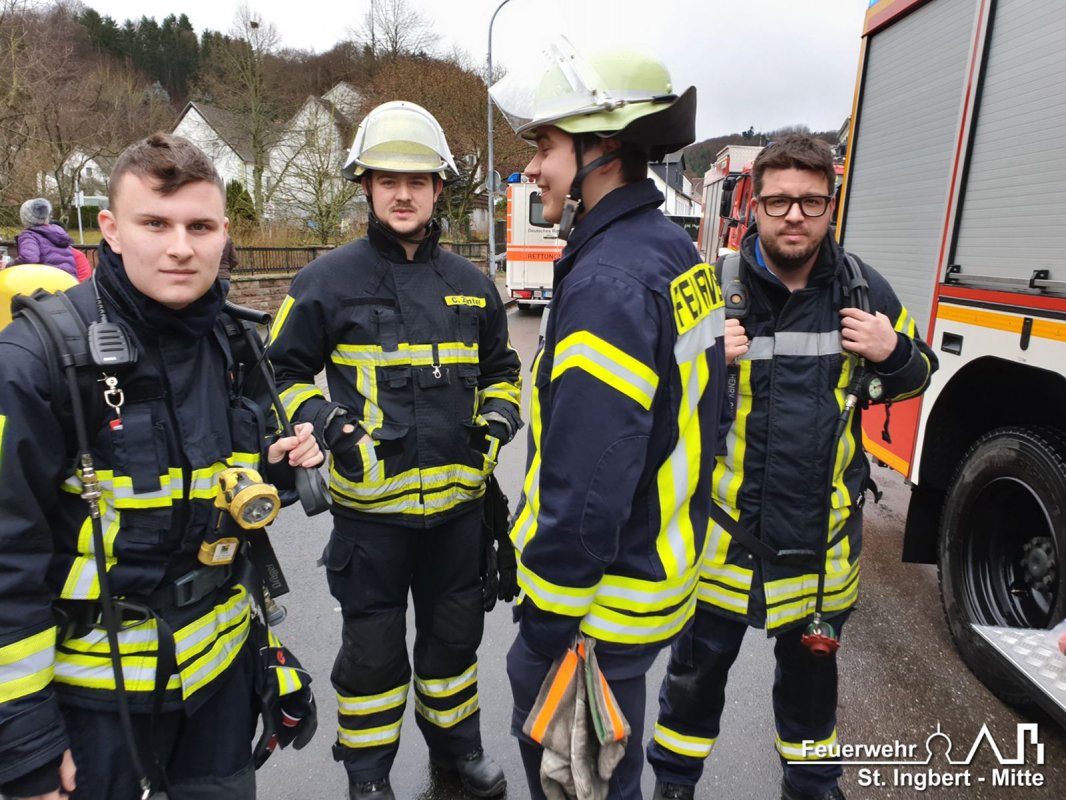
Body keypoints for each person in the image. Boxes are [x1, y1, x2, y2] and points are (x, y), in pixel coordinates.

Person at [0, 132, 322, 800]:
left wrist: (278, 468)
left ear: (223, 233)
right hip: (93, 707)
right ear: (111, 230)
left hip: (219, 689)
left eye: (200, 226)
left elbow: (224, 486)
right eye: (155, 224)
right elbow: (6, 557)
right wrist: (24, 746)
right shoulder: (34, 359)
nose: (181, 247)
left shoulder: (236, 339)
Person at [646, 135, 938, 800]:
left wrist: (893, 352)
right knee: (693, 683)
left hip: (821, 549)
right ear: (754, 207)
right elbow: (654, 396)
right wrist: (700, 360)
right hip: (722, 545)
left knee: (811, 692)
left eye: (811, 201)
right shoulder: (706, 290)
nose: (795, 216)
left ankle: (811, 785)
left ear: (831, 206)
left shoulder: (865, 288)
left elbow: (918, 374)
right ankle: (674, 783)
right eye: (779, 201)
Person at [489, 39, 728, 800]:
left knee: (580, 781)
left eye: (545, 145)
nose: (532, 167)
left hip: (596, 608)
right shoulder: (672, 251)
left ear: (604, 149)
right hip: (651, 581)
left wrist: (547, 623)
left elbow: (589, 479)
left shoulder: (610, 282)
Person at [267, 100, 523, 800]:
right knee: (372, 656)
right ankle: (368, 774)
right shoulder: (326, 281)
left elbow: (504, 372)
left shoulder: (473, 287)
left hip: (458, 517)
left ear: (439, 188)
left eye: (417, 180)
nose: (402, 194)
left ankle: (458, 752)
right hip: (370, 521)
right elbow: (279, 374)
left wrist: (495, 424)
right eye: (388, 180)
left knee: (454, 645)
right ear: (367, 187)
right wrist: (326, 423)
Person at [13, 198, 80, 280]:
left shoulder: (29, 235)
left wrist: (10, 266)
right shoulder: (58, 233)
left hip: (49, 281)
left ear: (25, 218)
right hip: (70, 280)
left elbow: (29, 258)